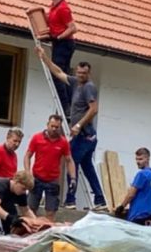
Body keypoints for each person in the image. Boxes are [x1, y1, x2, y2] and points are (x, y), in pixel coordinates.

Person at [36, 47, 106, 211]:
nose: (81, 75)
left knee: (71, 163)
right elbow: (59, 72)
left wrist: (78, 125)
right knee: (88, 167)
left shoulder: (89, 87)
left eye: (84, 73)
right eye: (79, 73)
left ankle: (70, 199)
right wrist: (44, 58)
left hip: (84, 135)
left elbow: (94, 109)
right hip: (86, 136)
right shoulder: (75, 83)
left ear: (89, 73)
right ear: (76, 72)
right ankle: (100, 199)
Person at [23, 114, 76, 221]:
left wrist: (73, 178)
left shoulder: (63, 142)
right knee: (30, 210)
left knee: (51, 213)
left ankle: (47, 229)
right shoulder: (37, 138)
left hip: (52, 181)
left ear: (60, 127)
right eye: (52, 126)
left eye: (57, 127)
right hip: (36, 179)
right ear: (47, 125)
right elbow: (27, 156)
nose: (54, 129)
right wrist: (28, 173)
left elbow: (69, 160)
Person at [45, 0, 78, 116]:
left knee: (57, 74)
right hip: (59, 43)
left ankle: (66, 107)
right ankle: (68, 106)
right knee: (62, 75)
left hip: (64, 44)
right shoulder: (53, 6)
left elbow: (73, 28)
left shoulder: (63, 8)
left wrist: (59, 37)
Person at [118, 147, 151, 224]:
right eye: (136, 159)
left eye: (140, 159)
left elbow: (131, 195)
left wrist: (121, 207)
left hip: (137, 216)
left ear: (147, 159)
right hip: (148, 217)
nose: (137, 162)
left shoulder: (142, 174)